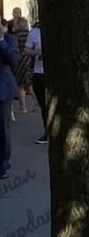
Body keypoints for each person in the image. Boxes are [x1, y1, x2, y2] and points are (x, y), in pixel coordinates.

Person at [0, 19, 21, 179]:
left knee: (3, 129)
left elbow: (13, 59)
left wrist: (1, 40)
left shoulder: (9, 40)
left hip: (3, 90)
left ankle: (4, 164)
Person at [25, 21, 46, 144]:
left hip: (55, 73)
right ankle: (47, 132)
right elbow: (27, 50)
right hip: (39, 72)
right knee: (44, 105)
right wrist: (36, 52)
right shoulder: (34, 33)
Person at [11, 16, 33, 114]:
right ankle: (36, 101)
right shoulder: (29, 35)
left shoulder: (15, 36)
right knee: (28, 84)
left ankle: (22, 106)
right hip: (29, 60)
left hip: (19, 61)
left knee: (20, 85)